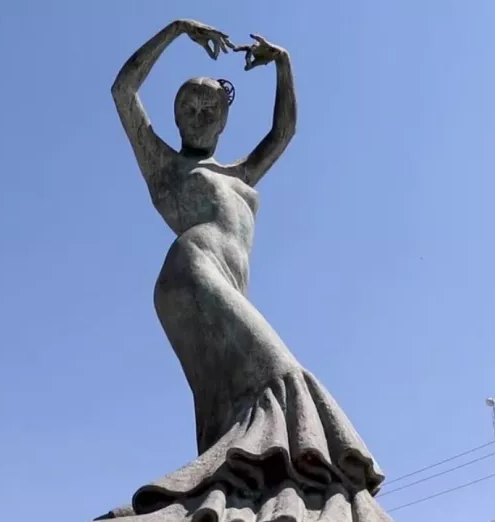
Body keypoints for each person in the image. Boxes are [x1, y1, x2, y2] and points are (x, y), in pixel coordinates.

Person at [104, 19, 393, 522]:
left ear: (223, 121)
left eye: (208, 109)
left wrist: (283, 64)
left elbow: (284, 131)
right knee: (279, 372)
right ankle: (299, 483)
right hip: (193, 270)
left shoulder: (239, 174)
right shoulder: (166, 167)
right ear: (175, 120)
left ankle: (232, 495)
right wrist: (175, 31)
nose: (198, 115)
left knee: (229, 404)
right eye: (188, 108)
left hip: (222, 287)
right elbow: (123, 91)